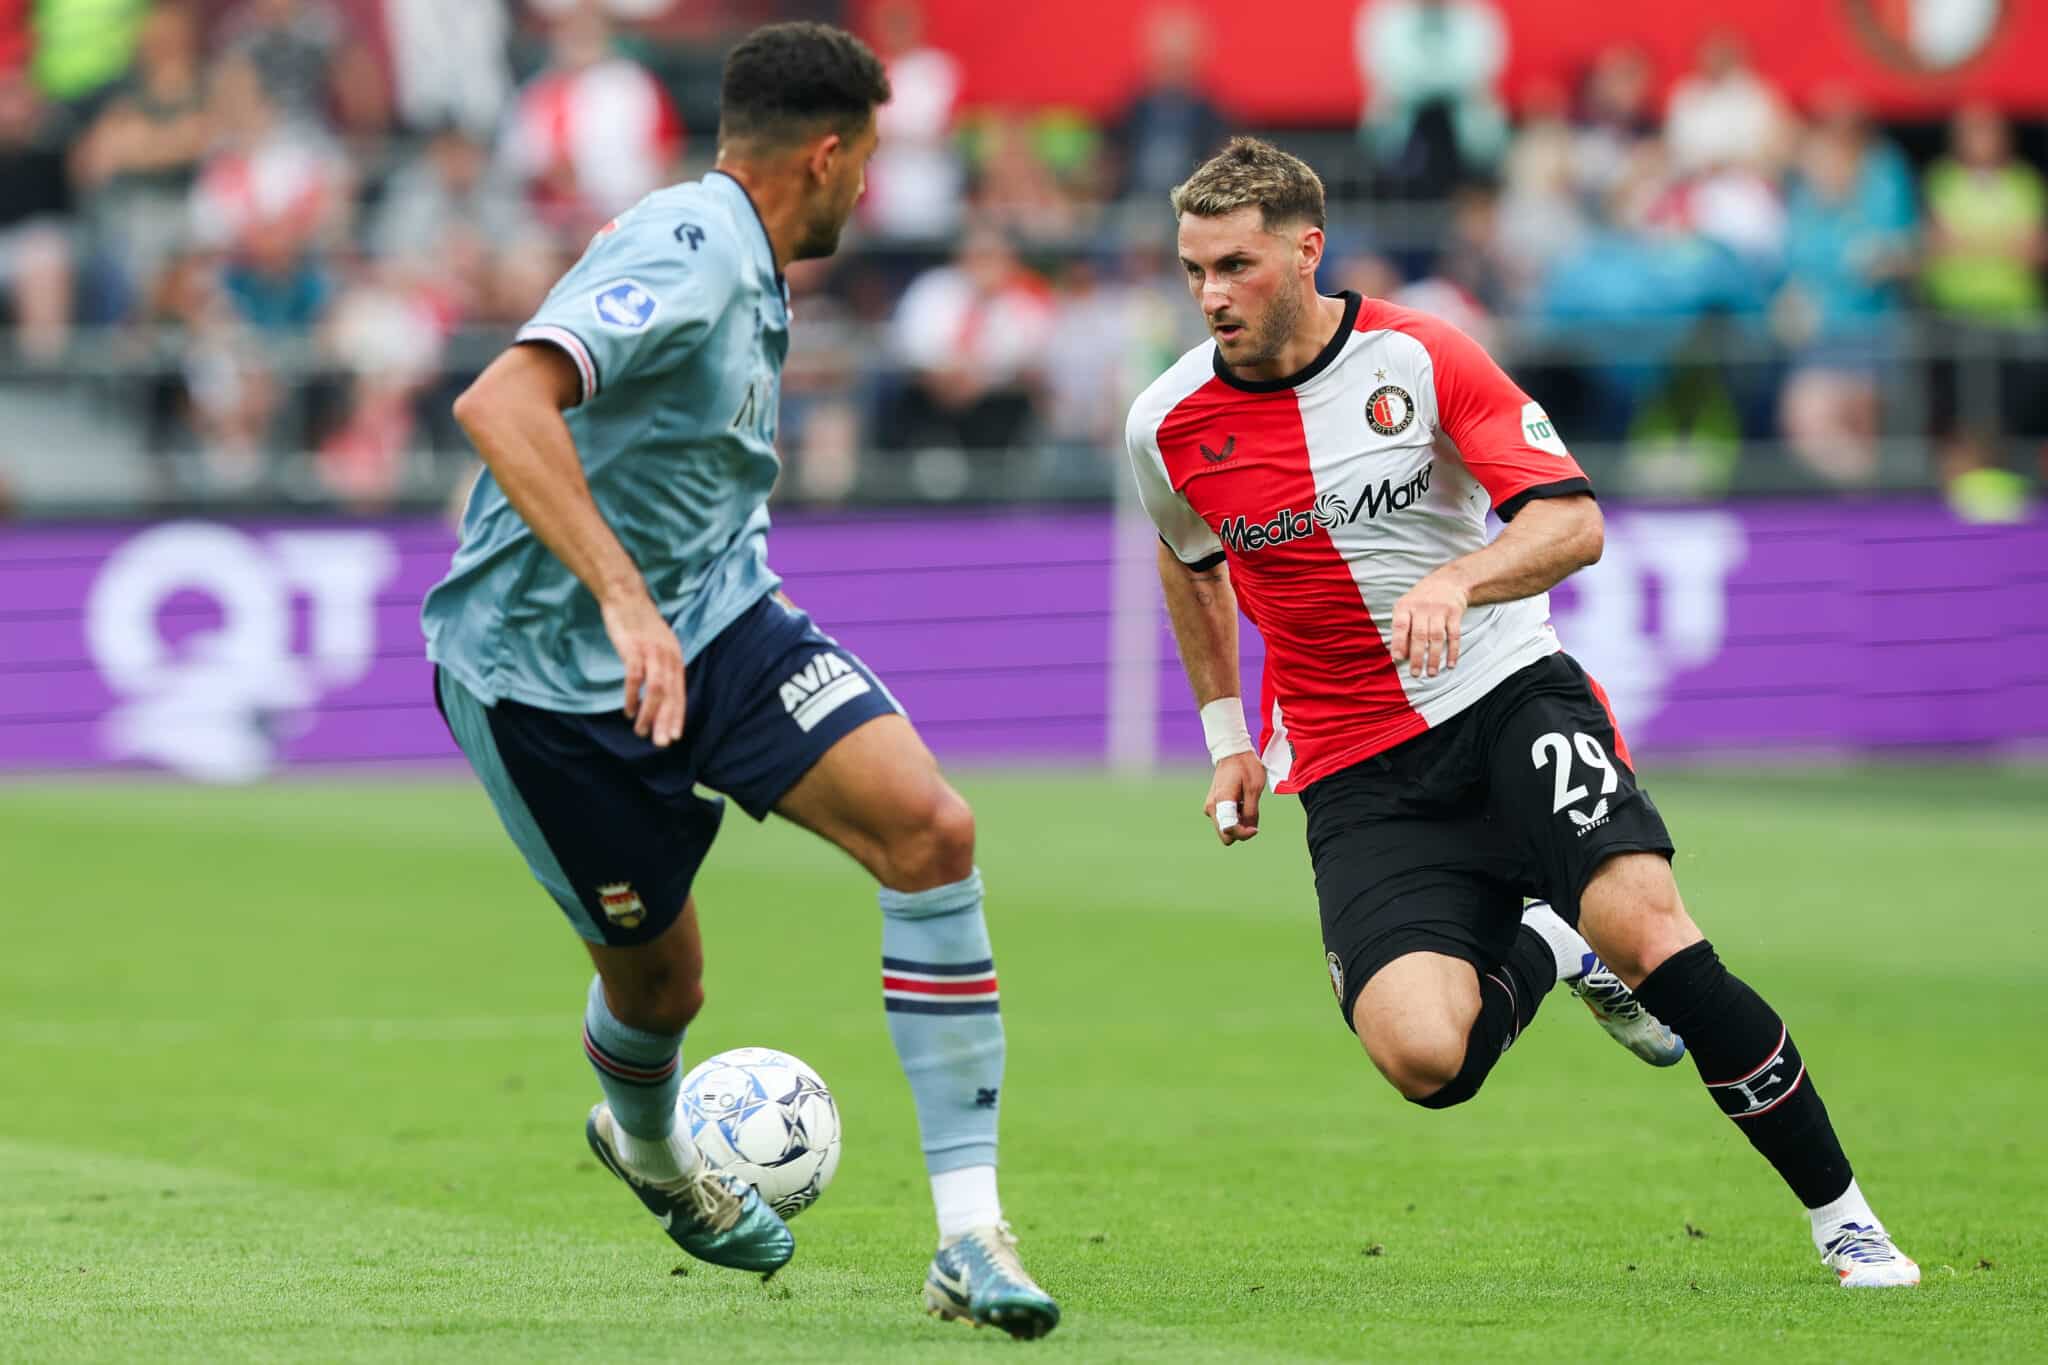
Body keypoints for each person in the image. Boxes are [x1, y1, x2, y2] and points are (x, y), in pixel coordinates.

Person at [1124, 137, 1919, 1288]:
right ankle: (1550, 943)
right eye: (1192, 267)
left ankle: (1846, 1222)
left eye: (1234, 266)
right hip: (1353, 764)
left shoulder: (1424, 354)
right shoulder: (1167, 420)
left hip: (1503, 695)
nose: (1208, 295)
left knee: (1650, 931)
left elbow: (1571, 522)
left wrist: (1461, 578)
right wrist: (1225, 736)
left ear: (1306, 252)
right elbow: (1186, 558)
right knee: (1422, 1058)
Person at [418, 23, 1059, 1337]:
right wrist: (619, 594)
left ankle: (971, 1236)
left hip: (718, 624)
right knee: (664, 991)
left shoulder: (742, 256)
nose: (870, 189)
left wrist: (664, 605)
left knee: (931, 830)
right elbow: (500, 403)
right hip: (545, 680)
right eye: (866, 162)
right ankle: (653, 1153)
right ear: (824, 156)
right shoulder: (695, 250)